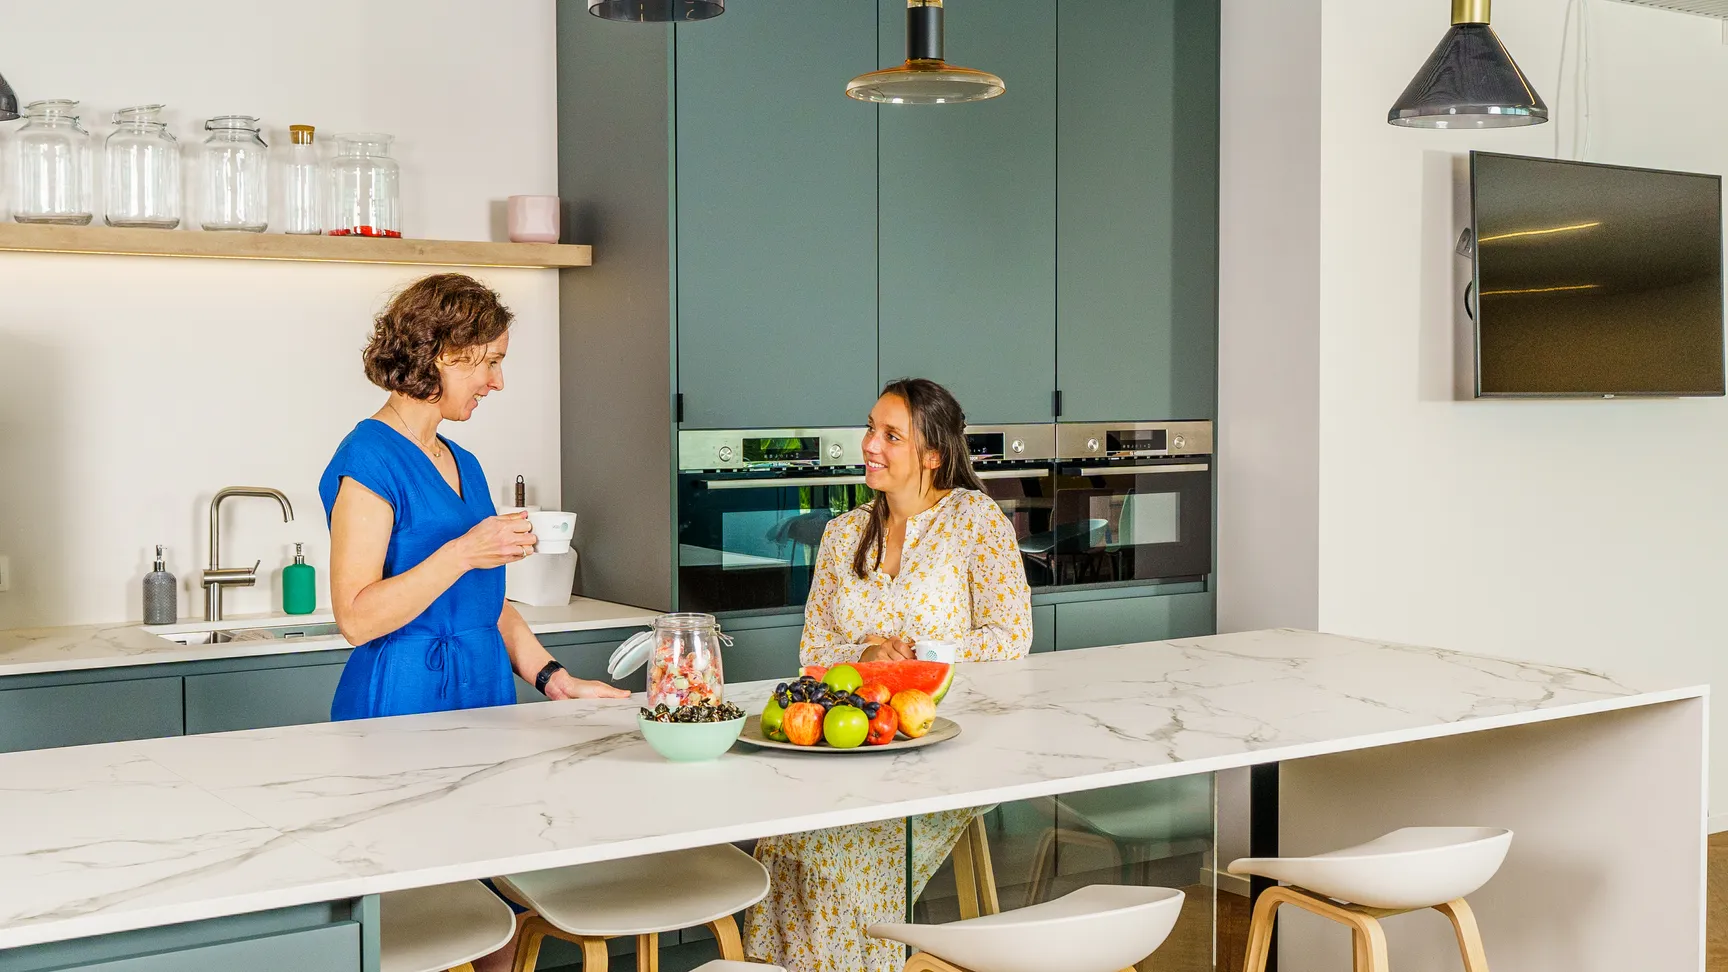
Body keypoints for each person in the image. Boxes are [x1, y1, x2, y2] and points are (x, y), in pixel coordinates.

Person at [320, 273, 627, 972]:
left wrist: (552, 677)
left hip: (486, 692)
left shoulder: (464, 461)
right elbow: (355, 616)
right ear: (441, 353)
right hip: (400, 703)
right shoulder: (367, 458)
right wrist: (464, 550)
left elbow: (487, 603)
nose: (496, 381)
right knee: (417, 905)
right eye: (489, 360)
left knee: (497, 892)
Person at [743, 378, 1034, 972]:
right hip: (850, 743)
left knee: (830, 855)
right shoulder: (842, 533)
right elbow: (814, 650)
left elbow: (1012, 634)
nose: (870, 443)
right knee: (781, 844)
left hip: (946, 754)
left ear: (933, 455)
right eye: (871, 428)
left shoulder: (974, 521)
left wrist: (922, 652)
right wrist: (866, 654)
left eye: (891, 435)